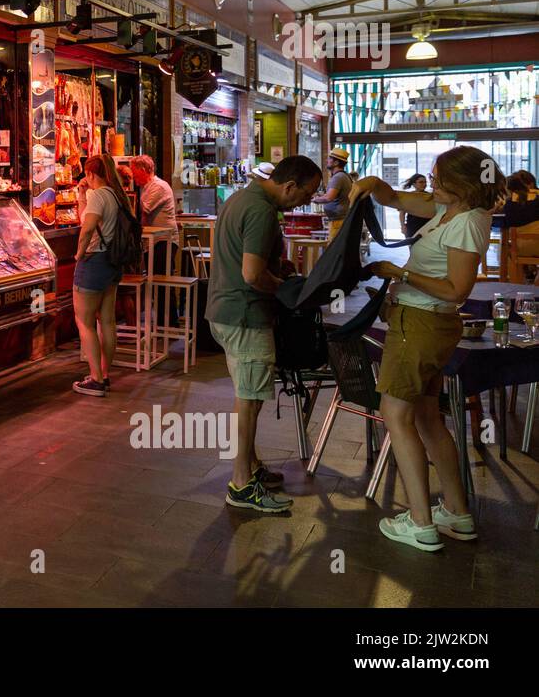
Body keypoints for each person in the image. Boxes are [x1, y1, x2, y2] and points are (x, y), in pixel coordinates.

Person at [349, 145, 506, 551]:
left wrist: (401, 274)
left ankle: (420, 522)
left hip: (420, 324)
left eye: (439, 179)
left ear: (463, 185)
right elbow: (395, 197)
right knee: (427, 418)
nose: (431, 183)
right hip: (425, 323)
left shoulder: (467, 222)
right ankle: (456, 512)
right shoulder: (448, 211)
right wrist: (369, 183)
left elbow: (458, 289)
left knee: (395, 415)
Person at [206, 155, 323, 512]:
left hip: (224, 312)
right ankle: (241, 484)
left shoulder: (239, 199)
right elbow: (252, 274)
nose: (306, 201)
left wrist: (277, 265)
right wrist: (286, 289)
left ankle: (251, 466)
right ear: (289, 186)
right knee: (250, 400)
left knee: (248, 395)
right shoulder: (260, 212)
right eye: (306, 194)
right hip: (245, 314)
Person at [71, 155, 133, 397]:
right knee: (106, 320)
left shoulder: (98, 195)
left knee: (84, 321)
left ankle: (95, 379)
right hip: (112, 262)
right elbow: (87, 218)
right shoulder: (116, 195)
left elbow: (87, 228)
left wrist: (78, 253)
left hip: (94, 260)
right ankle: (104, 374)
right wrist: (80, 196)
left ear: (91, 173)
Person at [311, 147, 353, 240]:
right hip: (340, 220)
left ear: (336, 162)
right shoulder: (343, 176)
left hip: (338, 221)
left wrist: (315, 200)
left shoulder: (338, 177)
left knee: (334, 249)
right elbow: (331, 195)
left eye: (330, 158)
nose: (327, 160)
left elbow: (329, 198)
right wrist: (318, 195)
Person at [130, 155, 177, 231]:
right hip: (155, 237)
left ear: (142, 170)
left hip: (164, 238)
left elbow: (145, 212)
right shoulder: (146, 187)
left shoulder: (158, 186)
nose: (132, 175)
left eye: (133, 171)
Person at [399, 174, 431, 238]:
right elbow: (402, 213)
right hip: (412, 226)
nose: (424, 184)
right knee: (412, 245)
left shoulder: (429, 196)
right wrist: (403, 226)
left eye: (425, 182)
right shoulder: (409, 196)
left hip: (427, 226)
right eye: (421, 182)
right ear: (414, 184)